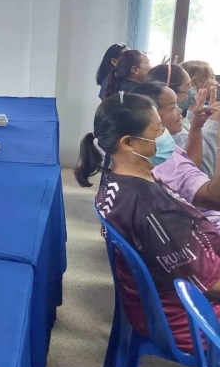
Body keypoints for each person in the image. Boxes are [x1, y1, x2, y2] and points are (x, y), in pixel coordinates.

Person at [75, 92, 220, 351]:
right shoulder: (151, 209)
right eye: (158, 129)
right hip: (192, 318)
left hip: (167, 296)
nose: (166, 135)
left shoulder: (118, 178)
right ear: (128, 142)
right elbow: (203, 286)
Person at [131, 82, 220, 229]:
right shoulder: (160, 159)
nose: (179, 110)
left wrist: (196, 126)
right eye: (172, 107)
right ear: (151, 115)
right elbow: (215, 198)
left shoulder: (160, 146)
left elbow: (189, 167)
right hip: (210, 228)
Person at [147, 63, 220, 177]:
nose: (193, 91)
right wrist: (212, 126)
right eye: (189, 87)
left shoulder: (177, 119)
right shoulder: (174, 131)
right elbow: (198, 170)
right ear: (170, 91)